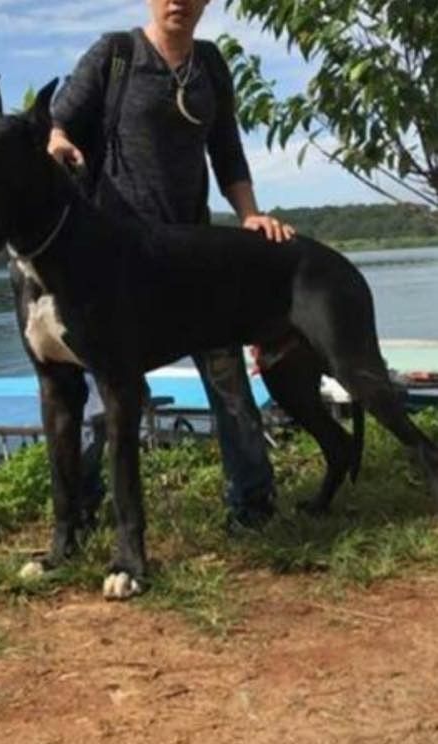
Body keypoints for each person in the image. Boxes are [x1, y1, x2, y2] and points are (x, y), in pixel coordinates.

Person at [48, 0, 294, 533]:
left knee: (227, 376)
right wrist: (60, 142)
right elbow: (59, 124)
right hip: (117, 257)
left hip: (192, 253)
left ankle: (252, 505)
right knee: (103, 394)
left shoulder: (210, 64)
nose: (177, 1)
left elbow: (226, 150)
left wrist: (250, 215)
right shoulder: (115, 54)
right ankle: (83, 509)